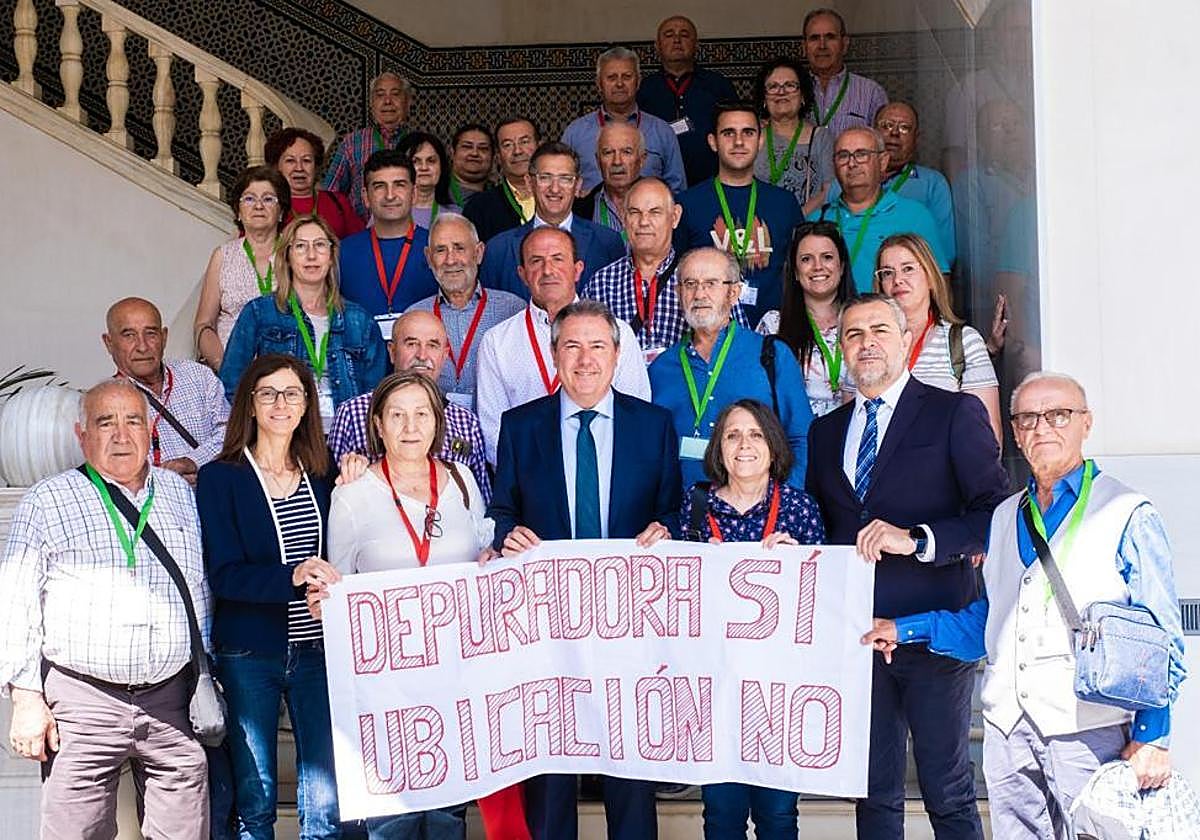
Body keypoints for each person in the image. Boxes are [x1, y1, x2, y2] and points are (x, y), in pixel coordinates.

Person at [863, 371, 1188, 838]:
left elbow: (1162, 638)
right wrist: (904, 629)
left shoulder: (1127, 511)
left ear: (1086, 423)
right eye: (1029, 418)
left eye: (1059, 415)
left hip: (1088, 729)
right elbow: (987, 622)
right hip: (1008, 733)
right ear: (1014, 431)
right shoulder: (1002, 515)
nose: (1043, 428)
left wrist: (1152, 736)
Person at [805, 294, 1009, 840]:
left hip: (934, 631)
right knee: (871, 793)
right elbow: (820, 525)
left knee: (947, 791)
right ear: (841, 347)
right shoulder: (825, 433)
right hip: (858, 637)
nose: (866, 342)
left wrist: (918, 539)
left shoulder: (952, 411)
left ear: (904, 341)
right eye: (853, 334)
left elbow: (995, 512)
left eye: (878, 330)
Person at [487, 299, 680, 840]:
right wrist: (507, 535)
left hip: (629, 624)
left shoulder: (654, 426)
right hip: (549, 629)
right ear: (554, 354)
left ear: (618, 356)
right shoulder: (521, 426)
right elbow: (503, 509)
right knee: (550, 775)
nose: (585, 358)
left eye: (598, 345)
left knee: (629, 773)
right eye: (572, 345)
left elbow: (670, 509)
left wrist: (664, 529)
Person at [317, 371, 529, 840]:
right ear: (377, 425)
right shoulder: (351, 496)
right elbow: (341, 588)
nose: (410, 427)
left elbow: (482, 549)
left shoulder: (463, 480)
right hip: (385, 689)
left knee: (448, 815)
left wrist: (497, 559)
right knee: (392, 817)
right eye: (397, 416)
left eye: (421, 414)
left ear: (438, 423)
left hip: (453, 680)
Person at [0, 379, 212, 838]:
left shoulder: (178, 493)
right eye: (105, 422)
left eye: (133, 421)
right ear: (82, 435)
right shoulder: (47, 499)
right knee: (75, 831)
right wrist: (26, 697)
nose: (121, 434)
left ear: (150, 428)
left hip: (169, 700)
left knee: (185, 828)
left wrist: (205, 675)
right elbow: (14, 600)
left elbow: (197, 588)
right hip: (83, 703)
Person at [197, 354, 342, 839]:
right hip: (250, 652)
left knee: (325, 796)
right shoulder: (222, 477)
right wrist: (293, 576)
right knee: (255, 792)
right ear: (251, 405)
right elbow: (225, 574)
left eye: (292, 394)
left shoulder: (324, 473)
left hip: (318, 649)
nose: (281, 403)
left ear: (307, 406)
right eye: (268, 394)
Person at [677, 399, 825, 840]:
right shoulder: (696, 506)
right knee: (721, 813)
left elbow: (823, 598)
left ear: (774, 447)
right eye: (732, 435)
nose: (744, 445)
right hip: (715, 685)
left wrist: (798, 564)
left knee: (778, 814)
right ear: (719, 449)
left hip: (778, 688)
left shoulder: (799, 508)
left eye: (755, 434)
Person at [476, 227, 651, 465]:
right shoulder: (497, 342)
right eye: (536, 261)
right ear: (522, 274)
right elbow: (493, 432)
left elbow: (636, 415)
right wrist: (541, 476)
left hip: (604, 473)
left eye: (558, 259)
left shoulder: (618, 333)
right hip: (529, 486)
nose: (548, 270)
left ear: (577, 270)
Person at [649, 247, 814, 491]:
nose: (699, 294)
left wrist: (785, 502)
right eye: (690, 283)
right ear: (678, 293)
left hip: (759, 515)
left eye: (711, 283)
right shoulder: (661, 368)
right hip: (684, 515)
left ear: (734, 292)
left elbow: (802, 437)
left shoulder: (770, 355)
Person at [220, 215, 388, 428]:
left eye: (319, 245)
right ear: (287, 256)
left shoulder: (360, 320)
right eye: (300, 246)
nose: (311, 255)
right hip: (284, 436)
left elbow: (376, 396)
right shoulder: (259, 312)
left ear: (331, 255)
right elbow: (231, 384)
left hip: (346, 440)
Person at [327, 310, 492, 504]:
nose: (422, 355)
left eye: (433, 345)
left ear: (445, 355)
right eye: (411, 343)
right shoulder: (353, 414)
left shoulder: (465, 422)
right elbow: (334, 494)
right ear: (392, 351)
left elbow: (483, 501)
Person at [583, 178, 748, 360]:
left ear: (675, 217)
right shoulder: (601, 284)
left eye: (655, 212)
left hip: (688, 386)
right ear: (623, 218)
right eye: (634, 212)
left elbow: (740, 347)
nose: (644, 221)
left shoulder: (706, 279)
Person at [678, 101, 803, 326]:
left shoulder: (784, 203)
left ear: (761, 139)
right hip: (709, 330)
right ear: (713, 142)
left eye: (748, 132)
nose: (738, 141)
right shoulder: (687, 204)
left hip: (773, 332)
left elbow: (799, 271)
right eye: (728, 133)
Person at [873, 233, 1001, 442]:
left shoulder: (964, 342)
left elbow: (988, 436)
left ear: (931, 277)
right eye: (887, 273)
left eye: (908, 269)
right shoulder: (869, 345)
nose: (898, 280)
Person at [405, 212, 525, 408]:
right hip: (434, 431)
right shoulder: (414, 316)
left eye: (459, 248)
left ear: (478, 253)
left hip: (499, 428)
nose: (450, 260)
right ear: (428, 257)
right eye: (441, 250)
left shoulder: (513, 309)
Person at [104, 296, 230, 484]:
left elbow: (231, 431)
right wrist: (166, 481)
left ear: (164, 337)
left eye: (151, 333)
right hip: (156, 508)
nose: (142, 346)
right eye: (129, 335)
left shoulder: (198, 376)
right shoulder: (105, 401)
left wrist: (194, 462)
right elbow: (112, 468)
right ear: (109, 343)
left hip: (213, 497)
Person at [478, 142, 625, 300]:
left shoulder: (608, 242)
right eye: (545, 178)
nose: (555, 189)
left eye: (565, 179)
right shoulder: (498, 249)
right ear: (529, 183)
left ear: (577, 186)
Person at [808, 127, 947, 292]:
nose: (852, 163)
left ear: (883, 162)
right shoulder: (816, 222)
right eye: (843, 156)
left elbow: (939, 284)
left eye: (861, 154)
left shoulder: (915, 216)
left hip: (891, 317)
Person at [826, 102, 956, 265]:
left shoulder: (932, 184)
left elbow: (943, 256)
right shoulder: (843, 182)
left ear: (916, 138)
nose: (894, 133)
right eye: (886, 126)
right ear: (873, 131)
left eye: (904, 128)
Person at [756, 221, 857, 417]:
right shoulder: (773, 325)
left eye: (827, 257)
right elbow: (759, 396)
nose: (818, 267)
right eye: (806, 259)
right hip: (790, 441)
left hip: (851, 438)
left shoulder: (864, 323)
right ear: (794, 271)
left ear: (842, 266)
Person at [195, 165, 291, 370]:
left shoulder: (295, 253)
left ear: (281, 211)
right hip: (231, 370)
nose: (258, 206)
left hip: (287, 368)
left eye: (268, 199)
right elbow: (204, 325)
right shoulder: (223, 255)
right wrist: (225, 366)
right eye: (249, 198)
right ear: (238, 212)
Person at [337, 150, 440, 336]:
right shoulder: (342, 252)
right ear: (366, 197)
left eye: (399, 185)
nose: (390, 195)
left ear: (414, 193)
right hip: (362, 360)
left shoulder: (437, 248)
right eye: (379, 186)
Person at [561, 47, 687, 194]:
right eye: (611, 77)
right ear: (599, 84)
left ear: (638, 82)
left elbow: (678, 192)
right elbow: (561, 183)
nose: (619, 84)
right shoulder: (575, 133)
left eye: (627, 77)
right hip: (591, 215)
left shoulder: (662, 131)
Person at [638, 15, 737, 186]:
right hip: (656, 187)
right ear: (657, 46)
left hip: (712, 183)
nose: (677, 40)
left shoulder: (718, 85)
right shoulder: (643, 89)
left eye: (684, 35)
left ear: (696, 44)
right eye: (669, 35)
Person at [323, 71, 413, 222]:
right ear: (371, 103)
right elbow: (330, 195)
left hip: (409, 229)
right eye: (380, 95)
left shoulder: (419, 144)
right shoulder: (352, 143)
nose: (387, 101)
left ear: (408, 102)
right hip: (360, 232)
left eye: (395, 94)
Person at [752, 57, 834, 208]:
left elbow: (829, 190)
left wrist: (796, 219)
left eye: (790, 85)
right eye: (773, 86)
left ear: (802, 95)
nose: (781, 92)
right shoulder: (752, 137)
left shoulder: (821, 137)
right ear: (764, 98)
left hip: (806, 226)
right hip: (759, 226)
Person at [802, 8, 888, 141]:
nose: (822, 45)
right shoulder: (792, 91)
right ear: (804, 46)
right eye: (814, 38)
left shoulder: (872, 93)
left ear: (845, 44)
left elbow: (882, 145)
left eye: (830, 37)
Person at [265, 127, 364, 241]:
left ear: (316, 166)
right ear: (276, 166)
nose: (299, 168)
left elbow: (360, 243)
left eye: (306, 160)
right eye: (290, 161)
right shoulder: (266, 204)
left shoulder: (337, 202)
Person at [463, 116, 539, 243]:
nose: (517, 151)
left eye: (524, 142)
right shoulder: (479, 207)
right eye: (508, 145)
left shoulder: (562, 197)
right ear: (498, 157)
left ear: (540, 147)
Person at [572, 121, 646, 239]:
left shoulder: (661, 204)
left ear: (642, 159)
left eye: (626, 152)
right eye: (608, 152)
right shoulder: (580, 209)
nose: (617, 161)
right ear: (598, 160)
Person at [397, 131, 460, 229]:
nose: (424, 167)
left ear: (441, 167)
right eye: (415, 161)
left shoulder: (456, 215)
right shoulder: (389, 212)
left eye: (431, 161)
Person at [449, 122, 495, 205]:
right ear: (452, 153)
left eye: (483, 148)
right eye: (467, 147)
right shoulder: (435, 193)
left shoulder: (502, 197)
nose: (474, 153)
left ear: (493, 157)